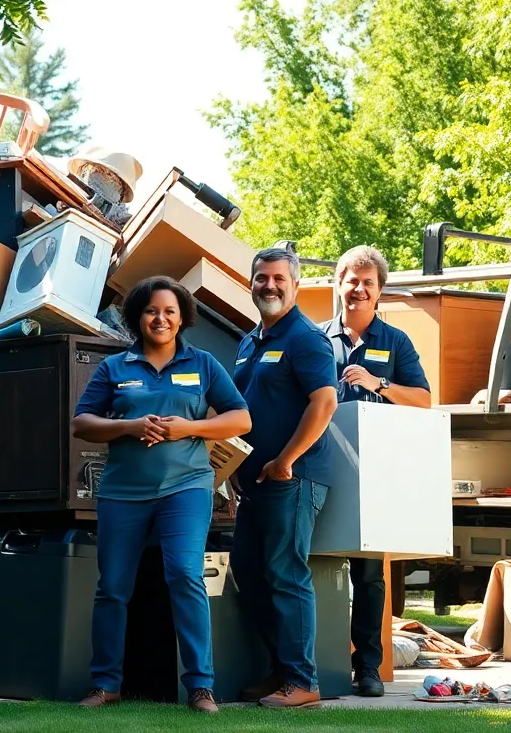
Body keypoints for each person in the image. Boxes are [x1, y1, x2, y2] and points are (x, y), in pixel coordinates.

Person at [72, 276, 252, 714]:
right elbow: (81, 423)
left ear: (182, 317)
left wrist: (188, 427)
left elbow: (241, 419)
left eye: (170, 311)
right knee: (113, 588)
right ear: (138, 316)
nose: (161, 318)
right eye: (152, 310)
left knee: (184, 577)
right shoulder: (115, 367)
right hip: (123, 492)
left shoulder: (204, 363)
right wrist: (130, 427)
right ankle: (106, 685)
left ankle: (200, 687)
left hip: (186, 488)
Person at [318, 245, 431, 697]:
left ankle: (366, 667)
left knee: (368, 574)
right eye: (351, 281)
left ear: (379, 292)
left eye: (368, 283)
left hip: (374, 474)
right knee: (318, 566)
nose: (358, 290)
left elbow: (424, 400)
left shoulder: (396, 342)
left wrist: (377, 383)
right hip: (322, 464)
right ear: (338, 285)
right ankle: (319, 664)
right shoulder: (316, 338)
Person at [231, 248, 339, 710]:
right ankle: (281, 670)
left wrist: (286, 459)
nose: (269, 286)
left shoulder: (305, 338)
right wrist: (234, 466)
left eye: (278, 278)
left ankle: (303, 680)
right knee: (248, 570)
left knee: (285, 573)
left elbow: (324, 403)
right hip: (255, 481)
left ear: (294, 285)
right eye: (261, 278)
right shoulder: (249, 340)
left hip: (295, 477)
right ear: (251, 283)